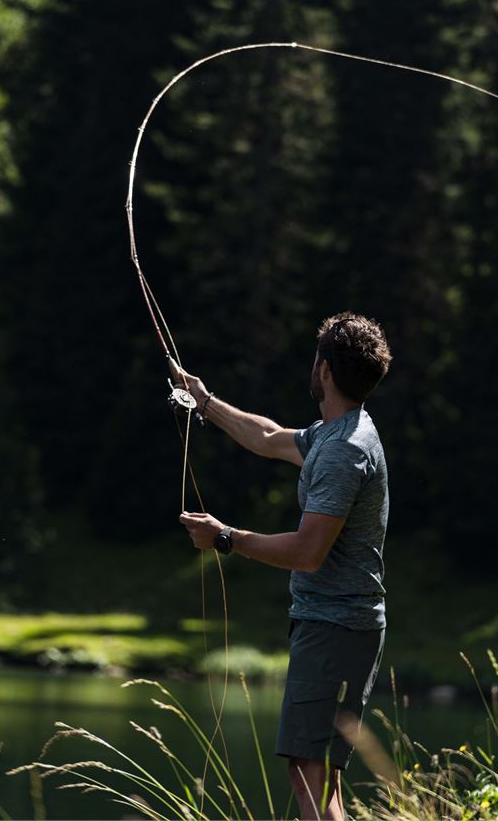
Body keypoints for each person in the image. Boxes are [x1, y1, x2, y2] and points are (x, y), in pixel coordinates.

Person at [174, 311, 392, 821]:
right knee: (319, 778)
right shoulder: (339, 432)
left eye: (317, 358)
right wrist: (203, 401)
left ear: (325, 372)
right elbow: (269, 437)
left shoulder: (343, 451)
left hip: (336, 626)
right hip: (340, 625)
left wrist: (225, 538)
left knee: (309, 776)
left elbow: (306, 552)